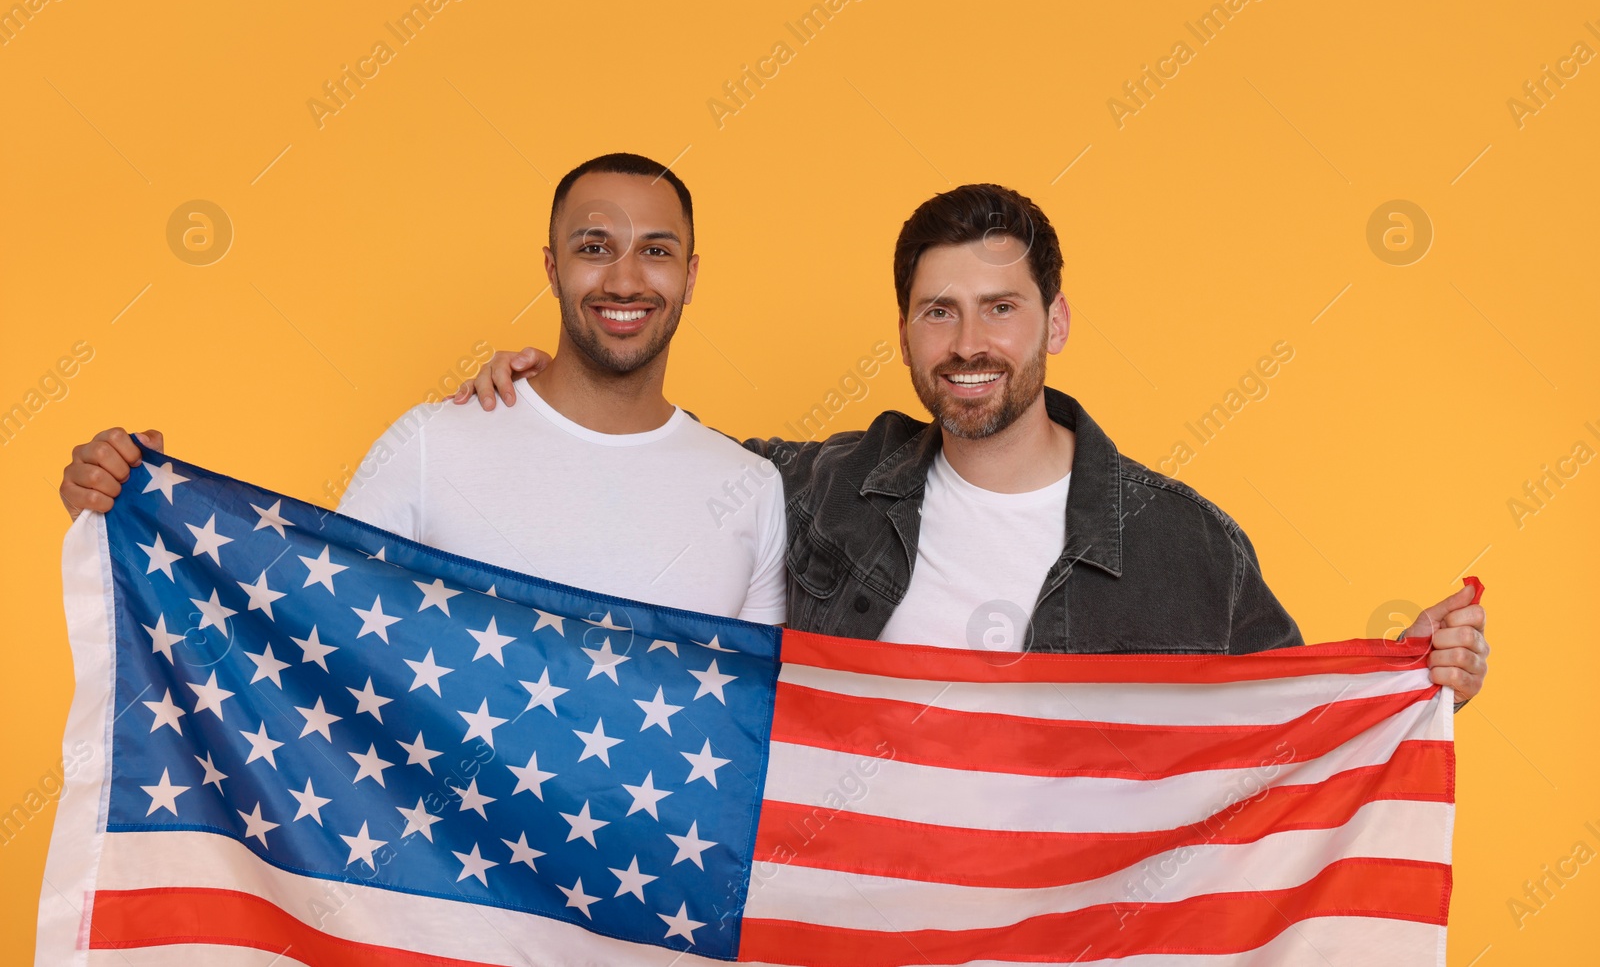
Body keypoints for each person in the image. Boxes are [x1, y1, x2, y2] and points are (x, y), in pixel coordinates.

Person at [460, 183, 1490, 703]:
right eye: (937, 311)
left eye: (999, 308)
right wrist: (553, 389)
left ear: (1054, 321)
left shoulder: (1187, 545)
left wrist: (1413, 675)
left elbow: (1292, 728)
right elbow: (659, 454)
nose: (967, 345)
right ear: (904, 329)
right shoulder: (823, 485)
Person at [58, 152, 787, 625]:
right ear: (551, 267)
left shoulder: (751, 489)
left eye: (656, 252)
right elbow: (305, 624)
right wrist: (144, 500)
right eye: (594, 248)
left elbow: (753, 736)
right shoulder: (436, 442)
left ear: (690, 276)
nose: (625, 280)